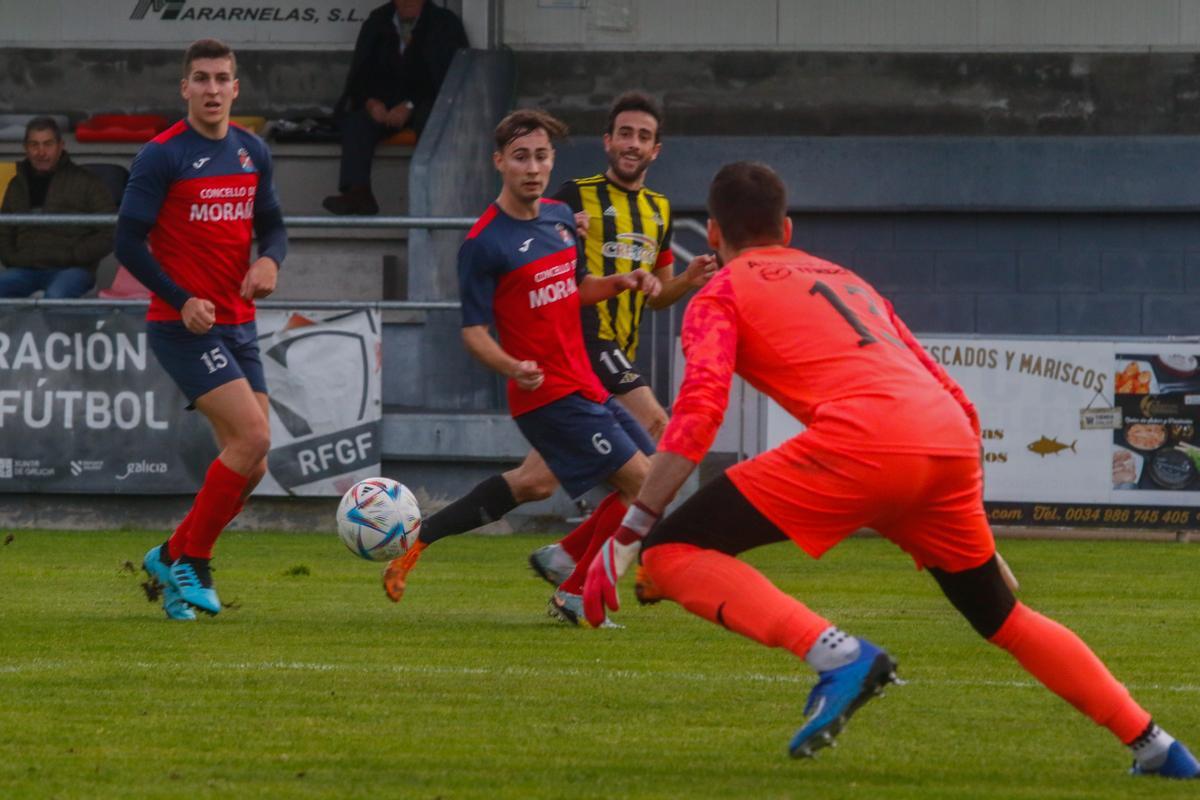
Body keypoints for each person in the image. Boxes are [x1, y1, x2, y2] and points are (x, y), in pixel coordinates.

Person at [580, 161, 1199, 777]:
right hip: (947, 444)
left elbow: (699, 411)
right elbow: (955, 396)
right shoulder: (849, 280)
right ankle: (1159, 747)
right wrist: (972, 517)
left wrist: (633, 531)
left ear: (712, 235)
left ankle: (838, 656)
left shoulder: (719, 292)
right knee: (1005, 618)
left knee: (671, 553)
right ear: (787, 229)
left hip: (866, 442)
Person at [383, 92, 718, 608]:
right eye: (521, 157)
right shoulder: (484, 242)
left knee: (542, 485)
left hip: (585, 382)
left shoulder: (561, 218)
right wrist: (512, 366)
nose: (533, 167)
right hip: (549, 394)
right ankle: (578, 589)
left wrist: (623, 280)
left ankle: (425, 541)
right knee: (648, 484)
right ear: (499, 162)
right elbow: (472, 332)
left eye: (541, 156)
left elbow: (576, 287)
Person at [115, 39, 287, 621]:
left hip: (237, 324)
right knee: (254, 441)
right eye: (201, 79)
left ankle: (168, 556)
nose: (212, 89)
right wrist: (181, 298)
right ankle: (196, 562)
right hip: (182, 325)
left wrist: (270, 262)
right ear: (184, 88)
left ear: (236, 88)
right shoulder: (162, 155)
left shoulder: (250, 151)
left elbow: (274, 227)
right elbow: (127, 243)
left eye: (221, 79)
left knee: (253, 463)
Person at [323, 0, 468, 215]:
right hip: (384, 104)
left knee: (433, 121)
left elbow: (448, 79)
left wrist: (410, 104)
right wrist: (371, 102)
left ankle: (432, 198)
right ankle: (358, 193)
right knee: (356, 123)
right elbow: (360, 74)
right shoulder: (378, 21)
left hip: (424, 103)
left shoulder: (444, 24)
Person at [0, 117, 116, 298]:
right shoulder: (16, 185)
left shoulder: (86, 181)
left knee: (57, 296)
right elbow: (4, 230)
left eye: (48, 144)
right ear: (25, 148)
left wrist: (74, 255)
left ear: (61, 145)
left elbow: (111, 231)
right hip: (24, 270)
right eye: (34, 145)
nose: (41, 152)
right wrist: (13, 258)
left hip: (71, 271)